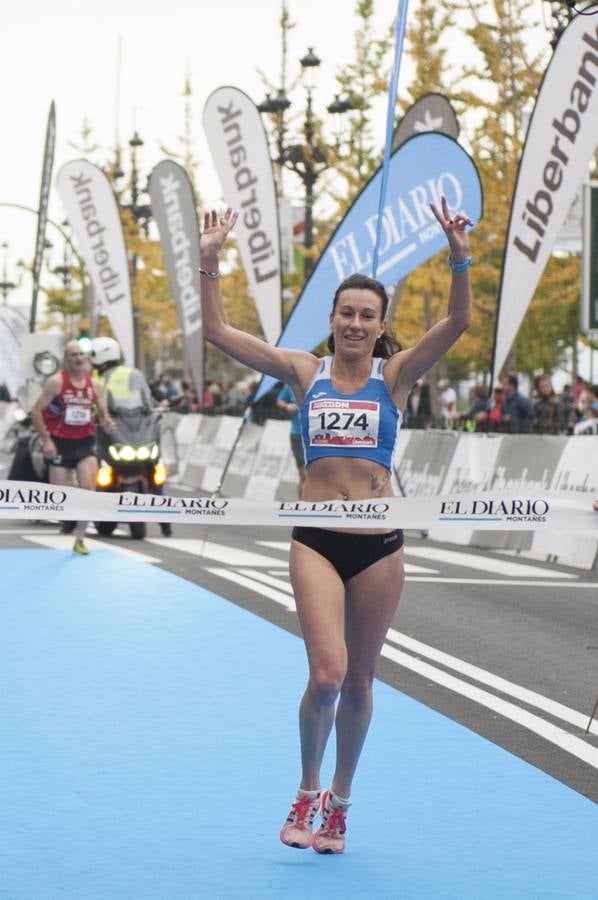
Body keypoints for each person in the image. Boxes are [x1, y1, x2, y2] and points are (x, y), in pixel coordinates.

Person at [198, 198, 473, 854]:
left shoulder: (396, 376)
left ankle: (341, 803)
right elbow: (218, 334)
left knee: (358, 681)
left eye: (366, 316)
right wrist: (209, 264)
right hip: (316, 540)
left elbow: (459, 321)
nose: (354, 323)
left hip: (379, 546)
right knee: (325, 675)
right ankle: (306, 786)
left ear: (381, 327)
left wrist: (459, 256)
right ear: (332, 320)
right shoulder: (304, 371)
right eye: (345, 313)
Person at [30, 340, 115, 555]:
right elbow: (36, 411)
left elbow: (103, 413)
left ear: (87, 358)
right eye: (73, 355)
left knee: (89, 491)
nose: (78, 358)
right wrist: (46, 440)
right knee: (60, 496)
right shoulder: (56, 382)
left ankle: (80, 538)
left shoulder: (95, 385)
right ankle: (67, 519)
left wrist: (107, 422)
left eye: (81, 354)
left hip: (85, 443)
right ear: (67, 359)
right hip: (59, 443)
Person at [276, 383, 306, 496]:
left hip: (315, 437)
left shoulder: (319, 383)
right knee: (304, 474)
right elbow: (279, 400)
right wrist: (286, 406)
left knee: (316, 476)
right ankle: (303, 507)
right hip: (297, 435)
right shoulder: (291, 385)